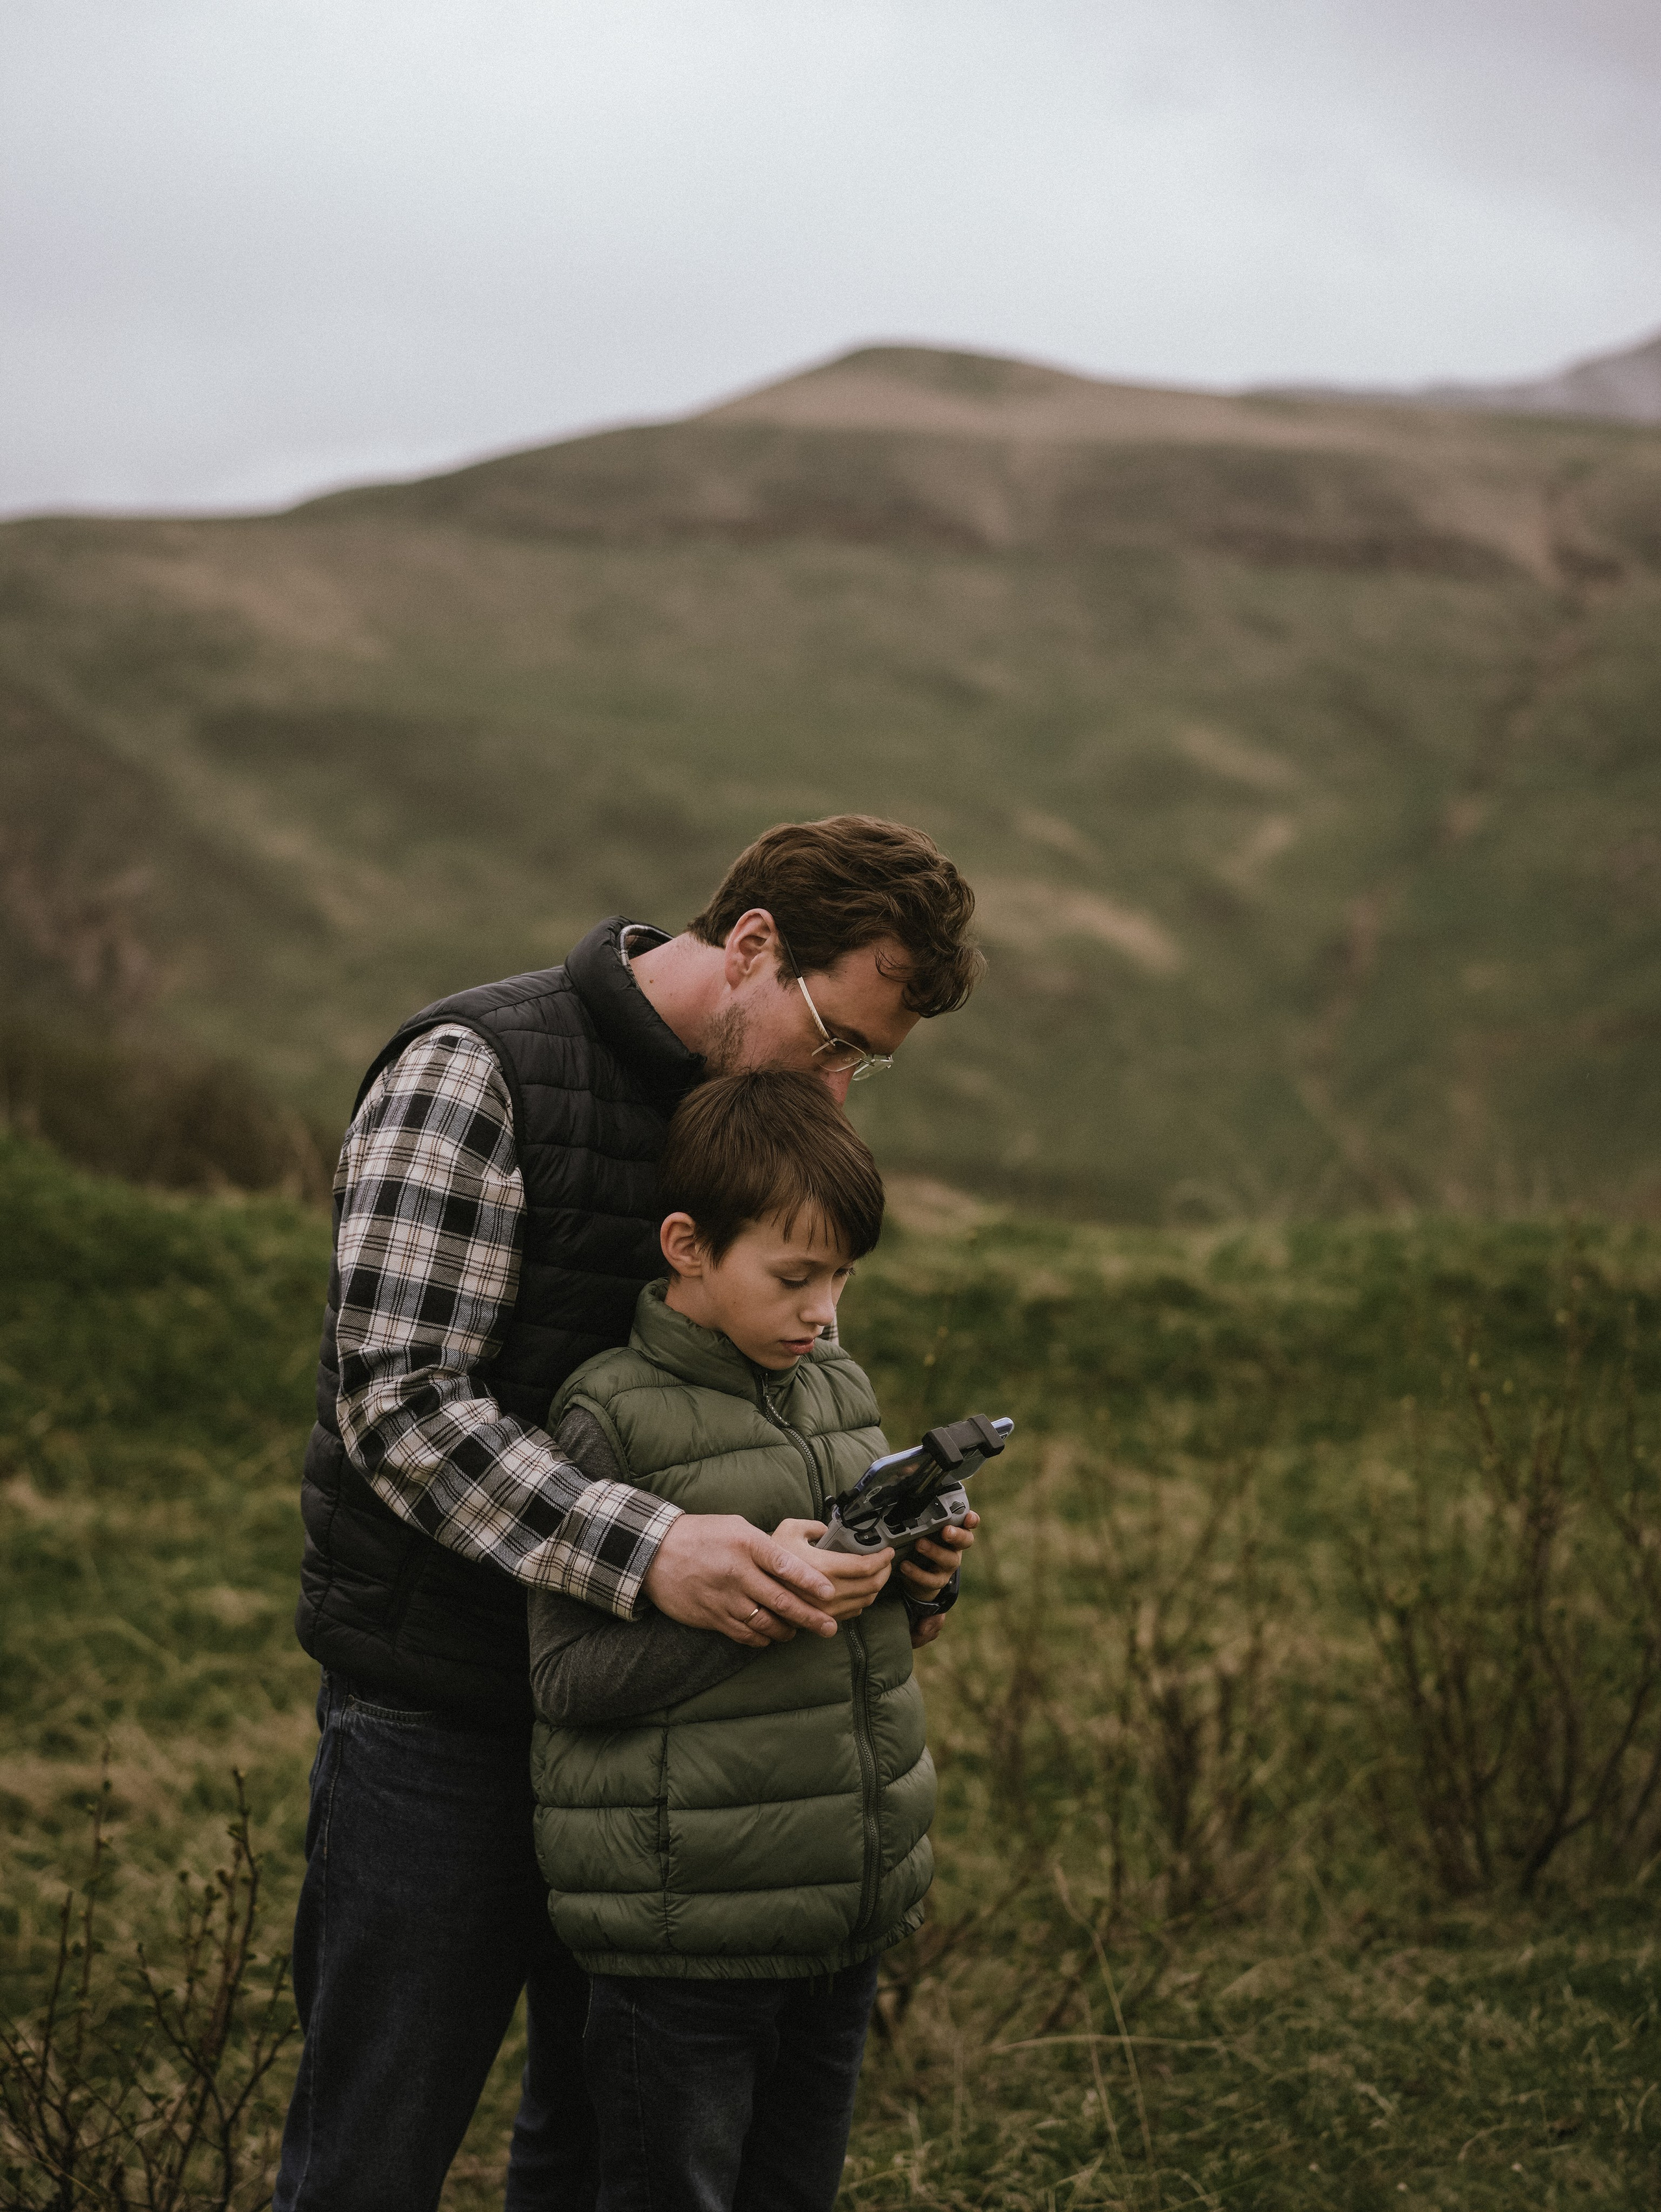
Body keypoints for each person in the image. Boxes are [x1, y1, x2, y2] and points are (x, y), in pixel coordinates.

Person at [274, 817, 983, 2212]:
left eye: (868, 1064)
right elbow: (398, 1402)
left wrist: (884, 1539)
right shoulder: (472, 1072)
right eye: (834, 1040)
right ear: (754, 945)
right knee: (373, 2153)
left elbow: (773, 1399)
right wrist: (651, 1551)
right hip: (445, 1715)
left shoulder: (766, 1108)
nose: (838, 1091)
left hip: (658, 1751)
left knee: (601, 2156)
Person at [527, 1071, 940, 2212]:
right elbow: (566, 1678)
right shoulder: (607, 1416)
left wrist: (920, 1577)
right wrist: (769, 1603)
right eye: (795, 1277)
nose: (822, 1309)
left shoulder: (839, 1386)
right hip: (683, 1937)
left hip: (840, 1909)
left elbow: (859, 1641)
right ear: (689, 1247)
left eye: (842, 1277)